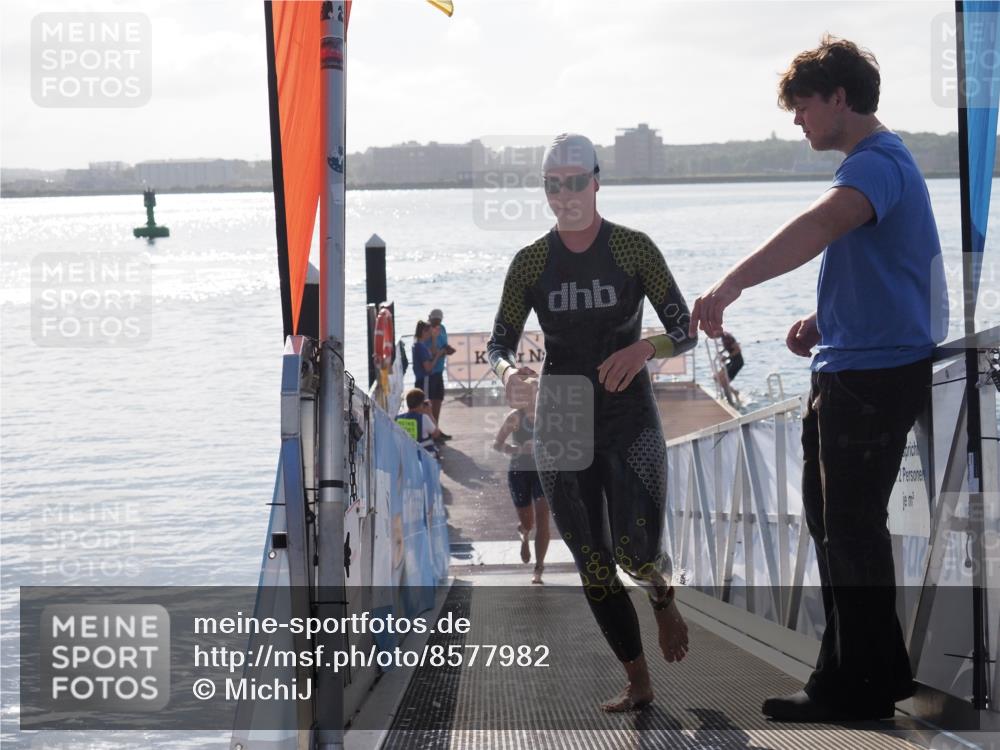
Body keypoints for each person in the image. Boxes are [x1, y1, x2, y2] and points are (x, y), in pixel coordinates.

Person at [687, 36, 945, 722]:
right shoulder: (878, 166)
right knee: (837, 526)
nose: (796, 120)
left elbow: (824, 223)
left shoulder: (878, 162)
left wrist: (731, 283)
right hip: (855, 364)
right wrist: (822, 317)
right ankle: (862, 674)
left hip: (873, 375)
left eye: (802, 106)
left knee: (851, 527)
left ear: (839, 97)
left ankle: (855, 687)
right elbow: (883, 265)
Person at [487, 133, 697, 712]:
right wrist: (508, 373)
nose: (566, 195)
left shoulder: (633, 249)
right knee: (592, 559)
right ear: (546, 191)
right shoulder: (530, 261)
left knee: (634, 548)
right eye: (554, 186)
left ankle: (660, 593)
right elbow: (499, 341)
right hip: (563, 416)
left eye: (577, 182)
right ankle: (638, 680)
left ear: (597, 182)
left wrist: (644, 349)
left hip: (628, 413)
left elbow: (685, 328)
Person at [492, 376, 550, 584]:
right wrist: (517, 449)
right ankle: (524, 533)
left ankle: (539, 567)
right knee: (529, 522)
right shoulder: (515, 417)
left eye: (535, 391)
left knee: (543, 518)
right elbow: (497, 444)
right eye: (527, 392)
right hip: (519, 471)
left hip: (544, 471)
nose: (532, 396)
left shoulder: (550, 416)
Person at [412, 321, 450, 443]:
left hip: (423, 379)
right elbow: (428, 367)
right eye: (429, 331)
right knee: (426, 406)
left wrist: (434, 339)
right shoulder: (420, 347)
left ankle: (434, 431)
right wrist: (438, 356)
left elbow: (431, 353)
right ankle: (432, 434)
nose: (430, 334)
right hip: (425, 379)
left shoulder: (420, 345)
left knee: (428, 405)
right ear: (423, 332)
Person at [427, 308, 456, 440]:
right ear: (430, 319)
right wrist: (441, 351)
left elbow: (444, 345)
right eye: (435, 321)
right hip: (429, 372)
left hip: (439, 370)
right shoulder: (427, 331)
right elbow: (431, 352)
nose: (437, 323)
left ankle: (436, 428)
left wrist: (448, 349)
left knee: (438, 400)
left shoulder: (442, 329)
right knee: (429, 402)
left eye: (439, 321)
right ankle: (430, 431)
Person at [395, 388, 442, 457]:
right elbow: (436, 434)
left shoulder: (397, 418)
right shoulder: (423, 418)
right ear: (421, 404)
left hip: (405, 455)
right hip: (422, 456)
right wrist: (430, 413)